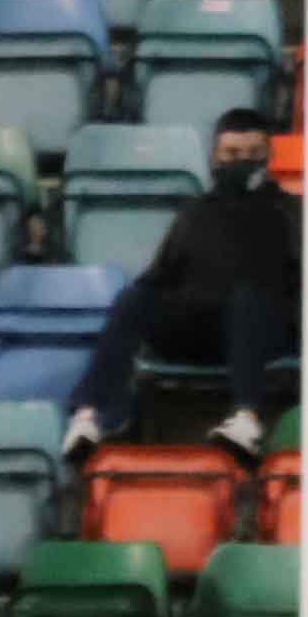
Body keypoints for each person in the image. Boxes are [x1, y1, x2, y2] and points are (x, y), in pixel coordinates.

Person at [59, 109, 292, 465]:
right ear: (215, 156)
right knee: (136, 297)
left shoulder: (289, 211)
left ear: (268, 157)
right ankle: (89, 416)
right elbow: (159, 277)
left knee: (249, 297)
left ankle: (247, 419)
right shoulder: (195, 213)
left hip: (264, 333)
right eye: (232, 154)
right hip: (198, 331)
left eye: (253, 154)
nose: (242, 162)